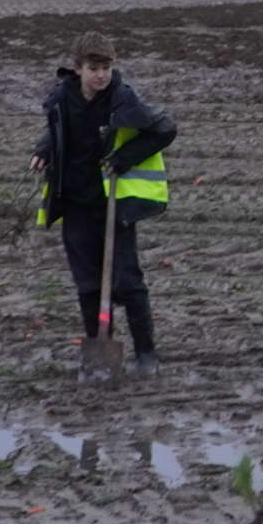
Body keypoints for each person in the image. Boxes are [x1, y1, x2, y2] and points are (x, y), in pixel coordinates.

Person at [37, 33, 179, 373]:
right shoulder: (60, 100)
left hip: (114, 205)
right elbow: (58, 132)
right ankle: (100, 350)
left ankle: (146, 354)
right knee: (87, 283)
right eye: (94, 68)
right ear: (77, 69)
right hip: (72, 202)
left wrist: (123, 158)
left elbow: (166, 129)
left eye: (106, 68)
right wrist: (42, 150)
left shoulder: (123, 99)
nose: (101, 75)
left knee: (127, 281)